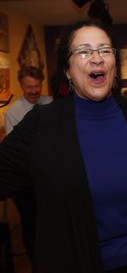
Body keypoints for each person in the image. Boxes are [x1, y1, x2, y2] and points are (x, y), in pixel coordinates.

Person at [0, 19, 127, 273]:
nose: (96, 58)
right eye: (84, 51)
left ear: (114, 66)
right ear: (67, 70)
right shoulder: (42, 124)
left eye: (104, 50)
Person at [4, 66, 53, 259]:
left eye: (37, 86)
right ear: (21, 86)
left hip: (49, 176)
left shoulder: (51, 103)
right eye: (28, 87)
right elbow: (15, 153)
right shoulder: (13, 112)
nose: (33, 91)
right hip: (26, 181)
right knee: (30, 222)